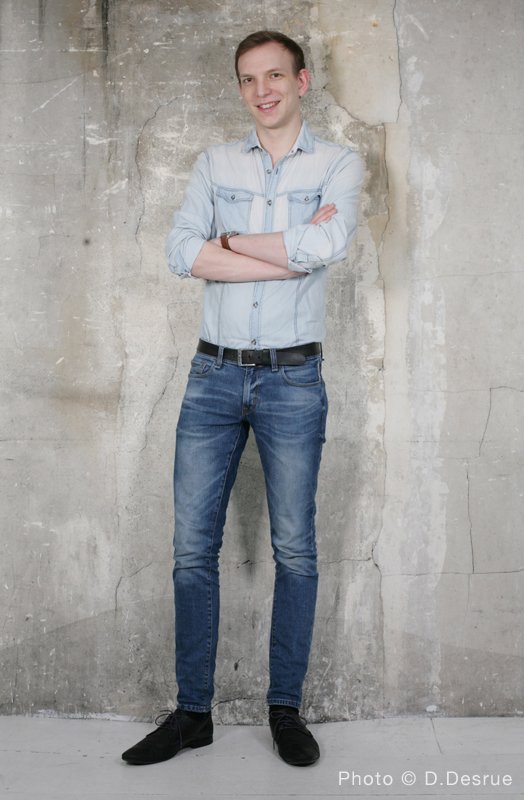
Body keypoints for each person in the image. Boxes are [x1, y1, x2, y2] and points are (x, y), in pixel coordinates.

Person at [122, 29, 363, 768]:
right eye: (249, 79)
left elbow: (327, 248)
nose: (262, 90)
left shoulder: (339, 163)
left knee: (296, 548)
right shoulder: (214, 163)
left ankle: (284, 708)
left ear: (302, 81)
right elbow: (180, 250)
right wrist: (285, 251)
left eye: (275, 76)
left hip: (294, 380)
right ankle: (193, 713)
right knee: (192, 550)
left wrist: (229, 244)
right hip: (214, 377)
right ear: (240, 88)